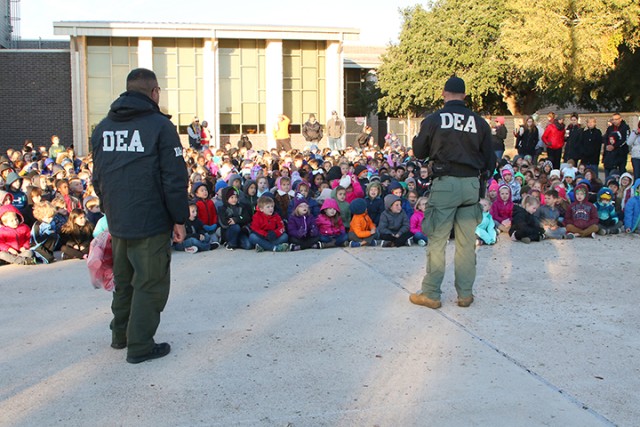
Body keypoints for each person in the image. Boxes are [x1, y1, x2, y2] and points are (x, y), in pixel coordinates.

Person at [91, 68, 189, 364]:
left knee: (125, 281)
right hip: (150, 221)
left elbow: (98, 178)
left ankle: (120, 336)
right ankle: (140, 346)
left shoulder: (103, 127)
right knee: (150, 283)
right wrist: (179, 219)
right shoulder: (159, 126)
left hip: (118, 220)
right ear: (154, 93)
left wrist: (110, 210)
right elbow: (173, 178)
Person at [410, 76, 495, 309]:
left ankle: (431, 293)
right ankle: (465, 294)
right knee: (466, 243)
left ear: (444, 94)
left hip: (445, 183)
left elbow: (419, 151)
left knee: (437, 239)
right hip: (470, 184)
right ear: (465, 97)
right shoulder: (479, 122)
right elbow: (490, 159)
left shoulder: (434, 119)